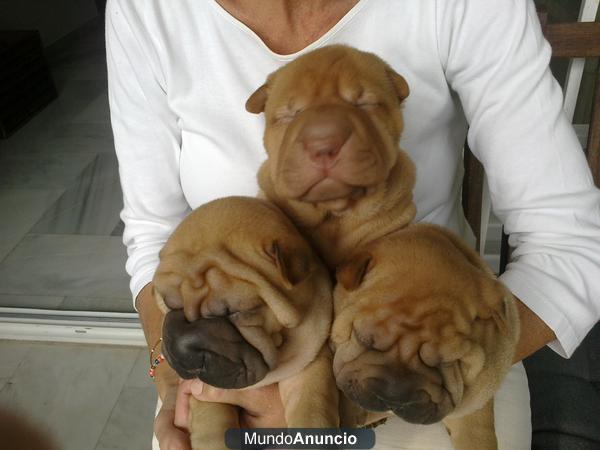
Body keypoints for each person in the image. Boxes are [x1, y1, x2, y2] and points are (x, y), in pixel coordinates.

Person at [105, 0, 600, 448]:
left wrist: (424, 374)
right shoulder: (146, 10)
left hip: (432, 368)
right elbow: (153, 233)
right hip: (231, 351)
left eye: (366, 104)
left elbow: (571, 244)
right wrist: (170, 374)